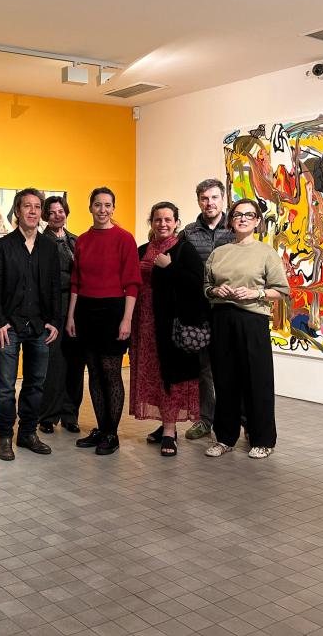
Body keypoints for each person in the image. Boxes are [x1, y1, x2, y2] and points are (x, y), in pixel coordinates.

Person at [203, 198, 290, 459]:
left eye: (249, 215)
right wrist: (215, 290)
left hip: (252, 320)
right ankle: (225, 438)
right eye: (238, 214)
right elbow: (206, 286)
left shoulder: (266, 253)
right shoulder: (219, 253)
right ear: (230, 220)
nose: (242, 219)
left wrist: (256, 293)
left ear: (257, 221)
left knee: (257, 381)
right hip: (221, 318)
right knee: (224, 380)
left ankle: (263, 440)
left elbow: (282, 291)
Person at [0, 187, 61, 461]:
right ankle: (5, 436)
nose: (33, 211)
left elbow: (54, 288)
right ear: (17, 211)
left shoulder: (49, 247)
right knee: (5, 386)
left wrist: (55, 322)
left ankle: (28, 433)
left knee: (35, 384)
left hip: (40, 327)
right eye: (27, 206)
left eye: (37, 207)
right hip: (9, 327)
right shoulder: (1, 247)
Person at [66, 187, 140, 456]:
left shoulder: (124, 238)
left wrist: (126, 320)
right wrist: (71, 316)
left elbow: (132, 283)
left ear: (113, 208)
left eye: (108, 205)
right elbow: (76, 282)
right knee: (94, 372)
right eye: (98, 204)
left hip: (113, 311)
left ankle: (112, 433)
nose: (102, 210)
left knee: (110, 372)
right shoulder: (83, 240)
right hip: (85, 310)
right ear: (90, 208)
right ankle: (101, 428)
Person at [130, 202, 207, 457]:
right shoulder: (142, 250)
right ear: (151, 222)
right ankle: (165, 423)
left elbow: (196, 284)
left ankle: (170, 432)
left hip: (171, 326)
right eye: (157, 219)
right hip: (144, 323)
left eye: (167, 220)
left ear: (176, 223)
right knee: (153, 375)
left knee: (171, 375)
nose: (162, 224)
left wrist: (170, 267)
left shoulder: (184, 249)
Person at [179, 178, 234, 441]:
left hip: (229, 309)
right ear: (199, 201)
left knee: (233, 366)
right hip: (199, 311)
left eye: (214, 197)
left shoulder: (235, 229)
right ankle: (205, 420)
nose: (209, 203)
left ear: (222, 199)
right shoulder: (189, 232)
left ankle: (240, 419)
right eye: (204, 198)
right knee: (204, 370)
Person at [37, 195, 84, 434]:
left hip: (78, 306)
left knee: (75, 362)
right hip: (53, 307)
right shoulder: (41, 241)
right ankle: (48, 415)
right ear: (46, 216)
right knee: (53, 364)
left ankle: (70, 414)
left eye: (61, 211)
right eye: (52, 212)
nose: (57, 216)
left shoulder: (77, 240)